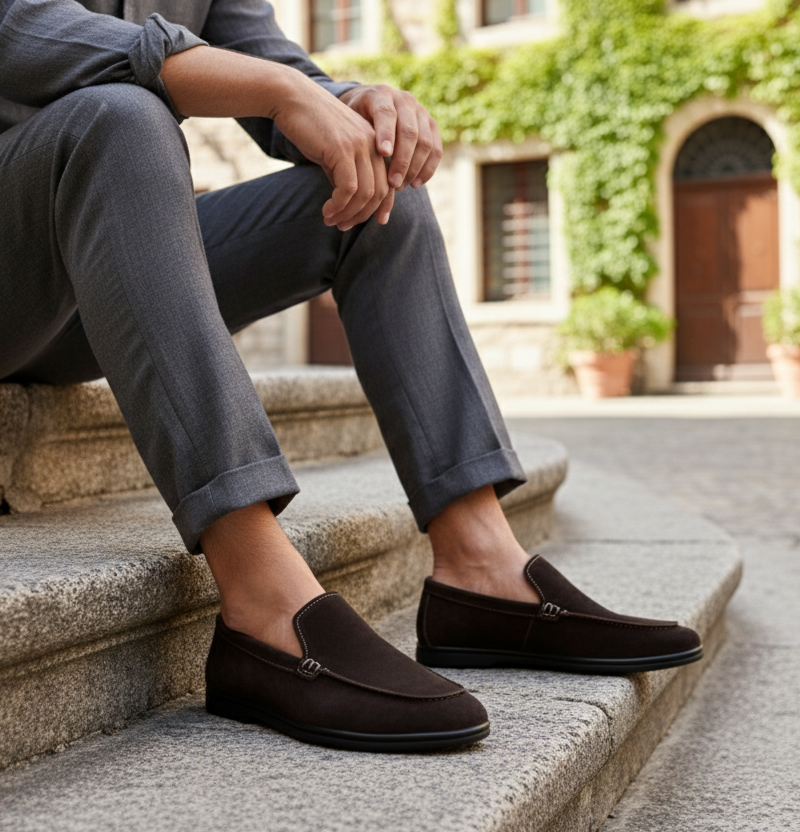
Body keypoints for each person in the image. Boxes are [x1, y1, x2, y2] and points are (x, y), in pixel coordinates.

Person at [0, 0, 702, 753]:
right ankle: (263, 607)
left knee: (378, 186)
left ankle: (483, 571)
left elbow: (264, 54)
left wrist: (349, 103)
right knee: (120, 116)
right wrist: (276, 90)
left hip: (97, 277)